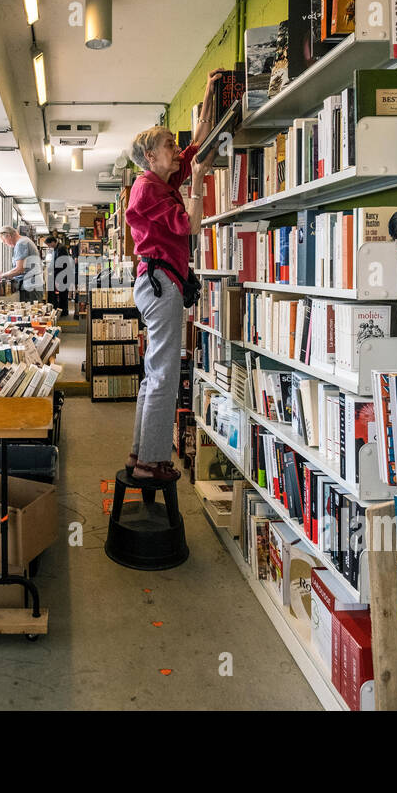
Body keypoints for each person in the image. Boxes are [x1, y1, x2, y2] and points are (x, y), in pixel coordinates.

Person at [123, 69, 225, 483]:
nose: (177, 148)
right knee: (165, 372)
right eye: (169, 144)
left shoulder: (161, 182)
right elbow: (190, 225)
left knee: (155, 372)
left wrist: (207, 92)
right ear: (151, 156)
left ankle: (139, 454)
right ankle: (150, 462)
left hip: (159, 281)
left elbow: (197, 146)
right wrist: (199, 183)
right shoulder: (148, 189)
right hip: (162, 283)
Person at [0, 226, 44, 303]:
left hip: (30, 286)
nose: (5, 243)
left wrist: (3, 275)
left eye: (4, 241)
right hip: (33, 284)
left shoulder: (21, 244)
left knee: (30, 312)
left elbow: (19, 269)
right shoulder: (25, 240)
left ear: (9, 236)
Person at [47, 234, 75, 318]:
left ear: (52, 242)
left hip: (63, 275)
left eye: (49, 245)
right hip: (61, 274)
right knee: (62, 293)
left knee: (63, 294)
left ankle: (64, 311)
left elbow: (60, 263)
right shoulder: (57, 248)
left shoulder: (61, 248)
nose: (49, 247)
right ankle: (62, 310)